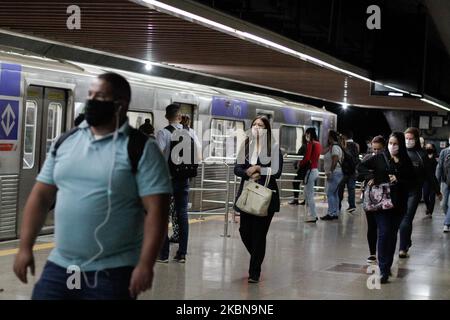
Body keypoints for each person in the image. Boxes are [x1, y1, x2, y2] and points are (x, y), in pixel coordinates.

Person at [13, 72, 172, 299]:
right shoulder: (66, 141)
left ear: (120, 105)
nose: (91, 101)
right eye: (90, 95)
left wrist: (146, 264)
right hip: (64, 266)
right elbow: (40, 197)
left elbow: (158, 210)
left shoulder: (141, 149)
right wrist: (25, 247)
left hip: (113, 271)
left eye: (100, 96)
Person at [358, 132, 414, 283]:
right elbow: (360, 167)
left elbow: (412, 182)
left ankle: (387, 265)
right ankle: (383, 269)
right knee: (383, 232)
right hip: (381, 204)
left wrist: (399, 179)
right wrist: (371, 177)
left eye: (395, 143)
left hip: (399, 204)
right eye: (390, 143)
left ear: (400, 145)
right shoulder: (380, 158)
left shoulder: (406, 162)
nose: (392, 146)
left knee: (392, 234)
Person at [234, 116, 283, 283]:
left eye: (260, 125)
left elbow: (277, 172)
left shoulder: (274, 148)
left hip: (266, 197)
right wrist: (247, 172)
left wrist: (259, 169)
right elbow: (237, 168)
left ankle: (254, 272)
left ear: (267, 129)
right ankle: (257, 254)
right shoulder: (246, 146)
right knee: (244, 232)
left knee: (259, 235)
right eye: (254, 124)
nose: (256, 127)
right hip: (248, 195)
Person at [156, 104, 201, 264]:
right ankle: (182, 254)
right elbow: (199, 156)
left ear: (167, 117)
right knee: (182, 214)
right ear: (180, 116)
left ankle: (163, 254)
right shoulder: (191, 132)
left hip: (167, 180)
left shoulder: (163, 132)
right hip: (184, 180)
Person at [400, 128, 442, 258]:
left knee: (406, 219)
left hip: (414, 191)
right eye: (406, 138)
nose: (408, 141)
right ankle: (406, 242)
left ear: (417, 139)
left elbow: (430, 175)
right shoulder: (399, 152)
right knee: (401, 220)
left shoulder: (422, 155)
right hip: (399, 190)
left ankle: (402, 248)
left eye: (410, 138)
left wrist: (437, 192)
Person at [357, 135, 386, 264]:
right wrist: (369, 176)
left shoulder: (387, 159)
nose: (376, 152)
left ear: (384, 148)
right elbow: (359, 174)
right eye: (373, 149)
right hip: (370, 196)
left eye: (378, 149)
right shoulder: (368, 158)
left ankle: (383, 252)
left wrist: (376, 177)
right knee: (372, 225)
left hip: (384, 196)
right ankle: (372, 253)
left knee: (383, 226)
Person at [298, 128, 322, 222]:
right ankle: (311, 213)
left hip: (310, 171)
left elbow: (307, 158)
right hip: (315, 170)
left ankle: (313, 215)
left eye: (306, 134)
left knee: (309, 194)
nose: (305, 136)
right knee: (307, 192)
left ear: (309, 134)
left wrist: (300, 164)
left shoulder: (311, 143)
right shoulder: (318, 144)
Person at [321, 130, 344, 221]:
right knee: (335, 193)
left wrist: (330, 171)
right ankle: (335, 213)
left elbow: (335, 159)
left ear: (331, 137)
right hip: (337, 173)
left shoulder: (335, 147)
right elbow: (323, 152)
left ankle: (331, 213)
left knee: (330, 193)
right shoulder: (335, 146)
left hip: (335, 173)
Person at [338, 130, 360, 214]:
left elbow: (344, 157)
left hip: (345, 170)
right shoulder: (356, 145)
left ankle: (339, 205)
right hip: (353, 170)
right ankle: (351, 205)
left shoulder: (345, 145)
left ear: (345, 136)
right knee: (351, 188)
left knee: (340, 188)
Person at [436, 132, 450, 233]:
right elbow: (439, 167)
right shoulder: (444, 152)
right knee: (444, 204)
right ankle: (448, 218)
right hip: (445, 182)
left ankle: (447, 223)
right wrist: (436, 182)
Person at [289, 135, 307, 205]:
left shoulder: (303, 146)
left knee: (295, 182)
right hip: (307, 168)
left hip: (303, 168)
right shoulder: (309, 146)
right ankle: (305, 200)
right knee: (306, 184)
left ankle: (296, 199)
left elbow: (298, 155)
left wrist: (295, 164)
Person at [423, 143, 439, 218]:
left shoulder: (436, 157)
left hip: (434, 179)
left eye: (430, 147)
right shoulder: (424, 156)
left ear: (433, 148)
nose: (428, 148)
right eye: (427, 147)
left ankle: (430, 212)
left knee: (432, 196)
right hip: (425, 179)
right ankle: (428, 207)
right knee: (425, 195)